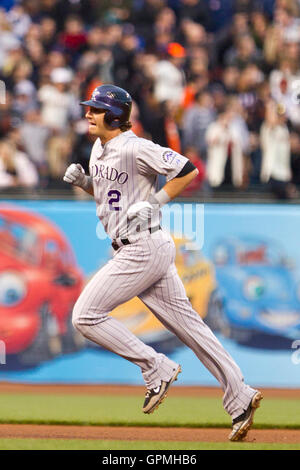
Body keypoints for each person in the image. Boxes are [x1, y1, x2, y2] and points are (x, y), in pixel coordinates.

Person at [63, 84, 262, 442]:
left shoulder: (136, 146)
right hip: (137, 246)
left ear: (115, 115)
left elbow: (187, 170)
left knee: (85, 315)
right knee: (192, 329)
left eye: (95, 109)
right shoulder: (98, 147)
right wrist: (85, 184)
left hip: (142, 246)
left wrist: (155, 201)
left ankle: (155, 366)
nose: (88, 113)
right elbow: (113, 196)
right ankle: (240, 395)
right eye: (89, 108)